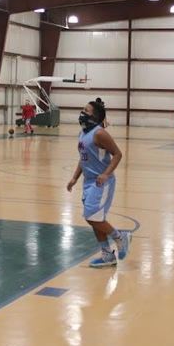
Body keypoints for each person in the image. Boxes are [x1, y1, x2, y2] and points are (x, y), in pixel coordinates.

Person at [66, 100, 131, 267]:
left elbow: (117, 154)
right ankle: (107, 255)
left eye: (85, 110)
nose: (82, 112)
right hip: (89, 182)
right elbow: (83, 158)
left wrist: (106, 173)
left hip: (103, 182)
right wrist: (75, 177)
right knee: (94, 218)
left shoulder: (99, 133)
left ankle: (120, 236)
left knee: (92, 217)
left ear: (94, 115)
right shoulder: (82, 133)